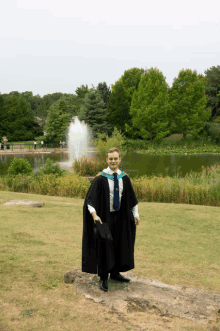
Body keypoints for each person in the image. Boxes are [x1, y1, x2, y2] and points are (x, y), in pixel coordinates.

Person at [82, 147, 140, 292]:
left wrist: (136, 214)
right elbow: (90, 201)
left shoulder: (124, 178)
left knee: (119, 245)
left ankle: (115, 273)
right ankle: (103, 277)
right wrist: (95, 216)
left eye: (116, 158)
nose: (113, 161)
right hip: (105, 218)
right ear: (107, 160)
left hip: (121, 218)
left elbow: (132, 199)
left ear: (120, 159)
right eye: (111, 159)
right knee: (104, 246)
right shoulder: (100, 178)